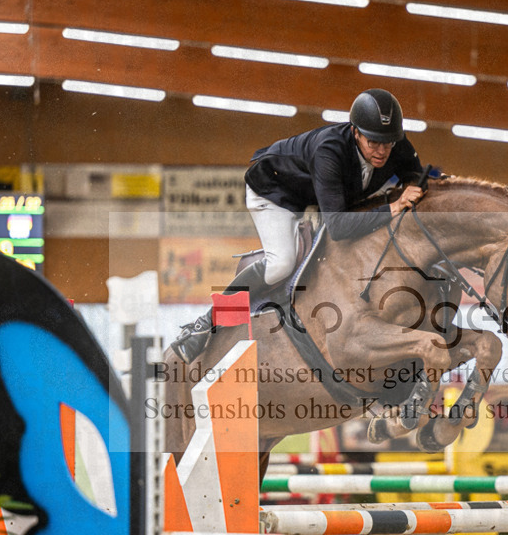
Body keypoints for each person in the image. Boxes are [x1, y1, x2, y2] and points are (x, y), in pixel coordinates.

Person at [170, 88, 426, 363]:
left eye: (387, 143)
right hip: (274, 192)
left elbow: (419, 175)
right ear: (355, 132)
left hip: (316, 198)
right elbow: (339, 226)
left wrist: (412, 186)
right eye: (373, 142)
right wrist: (392, 207)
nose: (382, 151)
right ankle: (204, 325)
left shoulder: (394, 144)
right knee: (282, 263)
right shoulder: (330, 152)